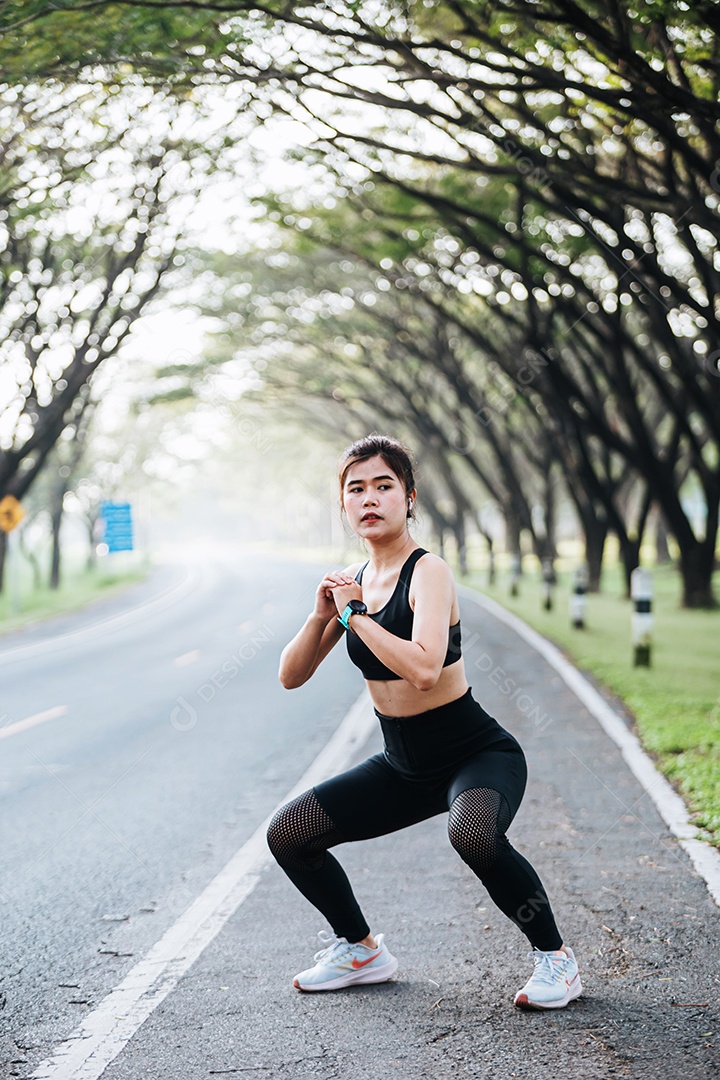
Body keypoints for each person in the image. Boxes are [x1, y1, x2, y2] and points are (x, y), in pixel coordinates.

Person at [267, 434, 582, 1010]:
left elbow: (423, 669)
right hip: (402, 765)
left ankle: (556, 959)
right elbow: (291, 676)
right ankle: (361, 950)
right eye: (356, 489)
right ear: (344, 504)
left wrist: (355, 614)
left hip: (474, 754)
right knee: (289, 833)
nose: (369, 498)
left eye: (383, 486)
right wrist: (320, 617)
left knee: (474, 833)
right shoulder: (352, 582)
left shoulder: (428, 571)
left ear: (408, 497)